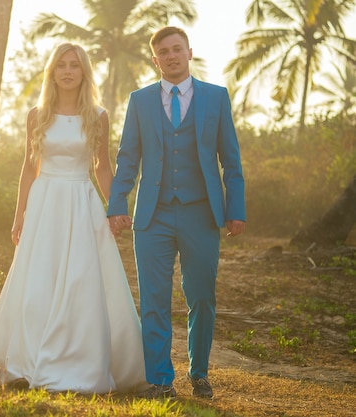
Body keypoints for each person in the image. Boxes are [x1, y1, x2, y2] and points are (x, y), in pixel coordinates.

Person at [0, 43, 147, 394]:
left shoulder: (98, 115)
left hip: (82, 203)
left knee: (82, 282)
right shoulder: (37, 115)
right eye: (61, 65)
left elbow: (102, 167)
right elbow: (28, 168)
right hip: (44, 203)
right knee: (37, 282)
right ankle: (25, 363)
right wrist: (19, 214)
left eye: (74, 66)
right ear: (52, 72)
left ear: (83, 72)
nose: (67, 71)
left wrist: (117, 208)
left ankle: (78, 362)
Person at [107, 26, 246, 399]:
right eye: (163, 52)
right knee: (154, 299)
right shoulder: (140, 101)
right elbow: (127, 159)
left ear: (188, 52)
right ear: (156, 60)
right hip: (152, 216)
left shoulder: (216, 98)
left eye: (176, 49)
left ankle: (198, 373)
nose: (171, 56)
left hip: (202, 214)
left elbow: (230, 160)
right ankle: (159, 380)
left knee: (201, 296)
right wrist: (117, 203)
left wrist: (236, 208)